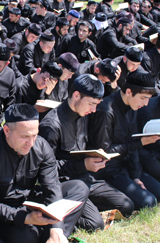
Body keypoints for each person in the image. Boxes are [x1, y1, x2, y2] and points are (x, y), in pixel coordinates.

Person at [0, 104, 101, 243]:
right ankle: (49, 239)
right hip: (0, 215)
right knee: (26, 238)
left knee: (78, 188)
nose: (30, 143)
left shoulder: (41, 146)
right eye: (24, 136)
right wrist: (25, 218)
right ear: (7, 131)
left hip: (28, 203)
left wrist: (56, 228)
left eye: (34, 135)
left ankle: (55, 238)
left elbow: (52, 187)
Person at [39, 74, 133, 218]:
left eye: (97, 104)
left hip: (86, 178)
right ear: (76, 95)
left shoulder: (84, 114)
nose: (94, 110)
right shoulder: (52, 125)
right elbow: (46, 171)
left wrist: (95, 154)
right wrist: (83, 164)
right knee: (94, 223)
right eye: (91, 104)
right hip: (65, 184)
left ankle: (82, 208)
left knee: (126, 206)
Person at [88, 72, 160, 213]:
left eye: (148, 99)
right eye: (143, 98)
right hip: (108, 169)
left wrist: (135, 175)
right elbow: (104, 152)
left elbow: (133, 141)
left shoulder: (133, 107)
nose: (146, 104)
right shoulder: (106, 111)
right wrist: (140, 143)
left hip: (125, 164)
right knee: (147, 202)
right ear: (129, 92)